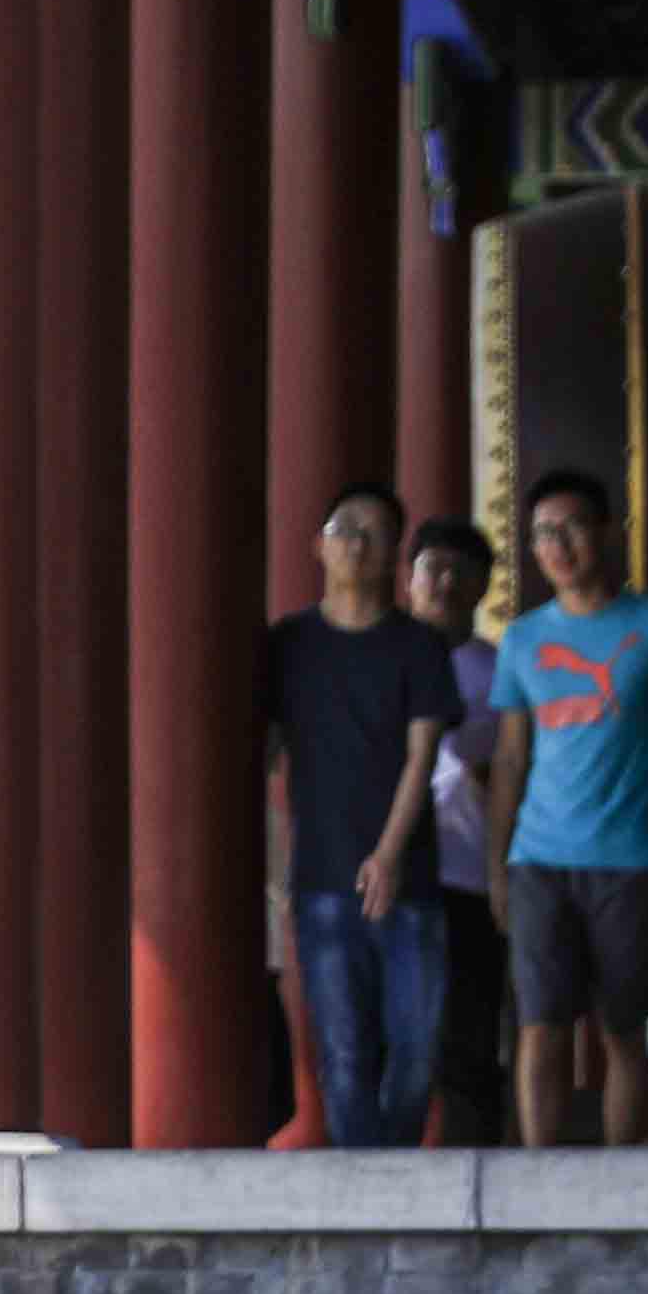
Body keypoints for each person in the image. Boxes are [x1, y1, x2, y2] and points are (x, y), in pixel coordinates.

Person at [483, 471, 648, 1147]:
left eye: (569, 528)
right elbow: (509, 760)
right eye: (541, 534)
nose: (556, 545)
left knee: (624, 1028)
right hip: (538, 857)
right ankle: (539, 1178)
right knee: (541, 1026)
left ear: (605, 533)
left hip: (631, 860)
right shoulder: (524, 639)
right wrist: (499, 864)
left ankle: (620, 1177)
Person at [265, 483, 444, 1153]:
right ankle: (364, 1189)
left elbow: (421, 755)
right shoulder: (289, 644)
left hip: (410, 878)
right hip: (320, 875)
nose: (358, 544)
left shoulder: (418, 646)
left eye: (375, 533)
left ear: (394, 553)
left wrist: (390, 854)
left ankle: (391, 1166)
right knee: (341, 1053)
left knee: (416, 1051)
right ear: (319, 544)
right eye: (345, 529)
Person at [390, 517, 512, 1147]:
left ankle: (478, 1155)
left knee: (468, 1028)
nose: (441, 582)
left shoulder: (498, 671)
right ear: (408, 578)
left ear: (482, 585)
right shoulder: (384, 658)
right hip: (394, 871)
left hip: (469, 870)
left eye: (458, 571)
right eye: (430, 567)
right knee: (396, 1032)